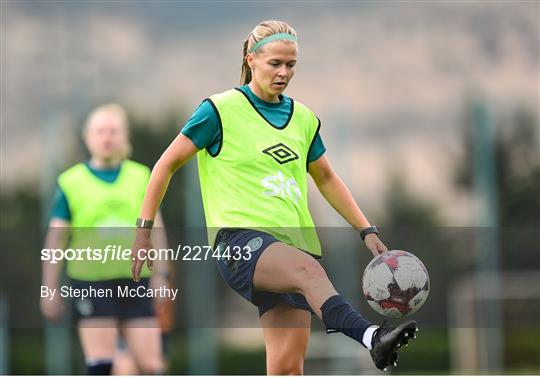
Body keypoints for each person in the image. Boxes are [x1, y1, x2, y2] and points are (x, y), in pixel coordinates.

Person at [132, 20, 418, 374]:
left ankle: (369, 337)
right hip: (238, 240)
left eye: (291, 65)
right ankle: (372, 337)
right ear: (251, 59)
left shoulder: (303, 119)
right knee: (309, 271)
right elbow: (164, 166)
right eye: (275, 64)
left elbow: (327, 178)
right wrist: (143, 230)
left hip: (293, 245)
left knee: (286, 369)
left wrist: (366, 230)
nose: (284, 72)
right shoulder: (219, 110)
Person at [41, 104, 167, 375]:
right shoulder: (71, 182)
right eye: (100, 132)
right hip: (90, 281)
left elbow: (157, 230)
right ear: (88, 138)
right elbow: (55, 240)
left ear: (125, 136)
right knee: (102, 364)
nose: (107, 137)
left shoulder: (142, 176)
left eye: (113, 131)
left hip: (135, 279)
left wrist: (161, 275)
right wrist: (49, 288)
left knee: (152, 364)